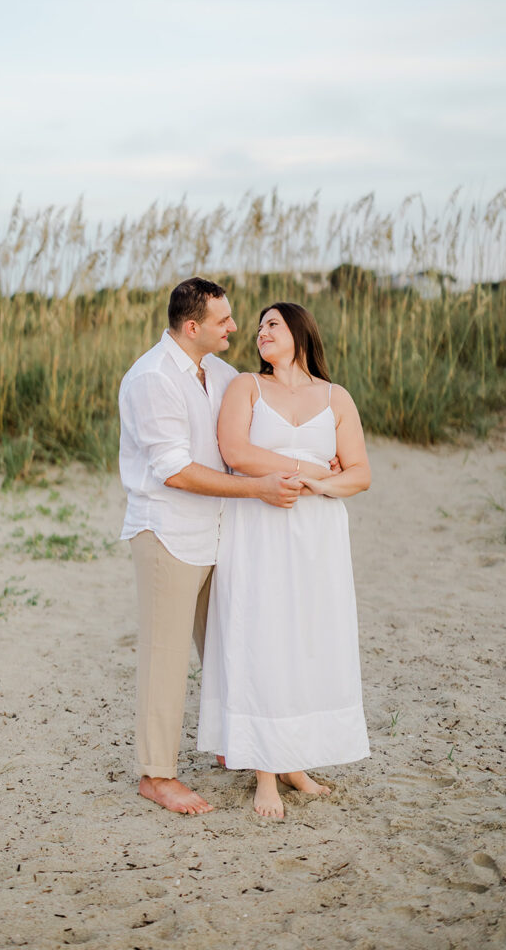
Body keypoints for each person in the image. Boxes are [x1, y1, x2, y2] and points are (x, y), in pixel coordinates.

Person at [119, 279, 331, 815]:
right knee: (164, 660)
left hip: (225, 533)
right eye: (224, 321)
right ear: (192, 328)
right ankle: (157, 775)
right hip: (168, 532)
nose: (236, 328)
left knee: (234, 644)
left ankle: (238, 741)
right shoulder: (151, 379)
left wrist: (310, 463)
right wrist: (260, 489)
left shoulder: (221, 373)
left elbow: (249, 440)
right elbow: (175, 473)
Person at [197, 301, 371, 819]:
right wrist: (309, 467)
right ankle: (265, 775)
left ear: (299, 332)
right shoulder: (246, 387)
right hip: (259, 530)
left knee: (306, 641)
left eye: (271, 324)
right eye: (257, 328)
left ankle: (293, 760)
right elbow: (235, 451)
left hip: (316, 534)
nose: (259, 333)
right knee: (262, 636)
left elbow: (358, 474)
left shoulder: (336, 397)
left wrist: (319, 482)